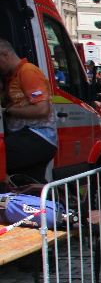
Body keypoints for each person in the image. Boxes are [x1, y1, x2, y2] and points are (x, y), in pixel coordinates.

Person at [0, 37, 57, 183]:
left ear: (4, 54)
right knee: (29, 184)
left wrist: (7, 111)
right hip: (29, 137)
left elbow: (42, 109)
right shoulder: (11, 77)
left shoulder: (28, 72)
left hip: (37, 136)